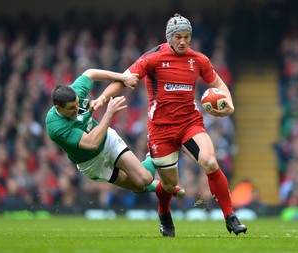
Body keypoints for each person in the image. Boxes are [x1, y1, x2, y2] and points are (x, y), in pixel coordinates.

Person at [92, 13, 247, 237]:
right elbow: (124, 79)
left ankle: (230, 216)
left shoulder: (199, 60)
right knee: (168, 185)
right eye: (178, 37)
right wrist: (103, 98)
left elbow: (219, 82)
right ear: (169, 37)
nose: (183, 41)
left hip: (189, 123)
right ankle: (164, 212)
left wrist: (229, 104)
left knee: (210, 162)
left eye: (187, 37)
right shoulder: (152, 58)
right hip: (161, 131)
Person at [45, 68, 184, 205]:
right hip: (91, 162)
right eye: (71, 109)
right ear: (58, 108)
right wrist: (109, 113)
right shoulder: (55, 126)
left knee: (144, 179)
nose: (76, 110)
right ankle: (157, 186)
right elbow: (91, 143)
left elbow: (90, 73)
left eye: (77, 104)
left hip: (107, 141)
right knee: (138, 186)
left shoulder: (75, 92)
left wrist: (122, 77)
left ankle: (153, 154)